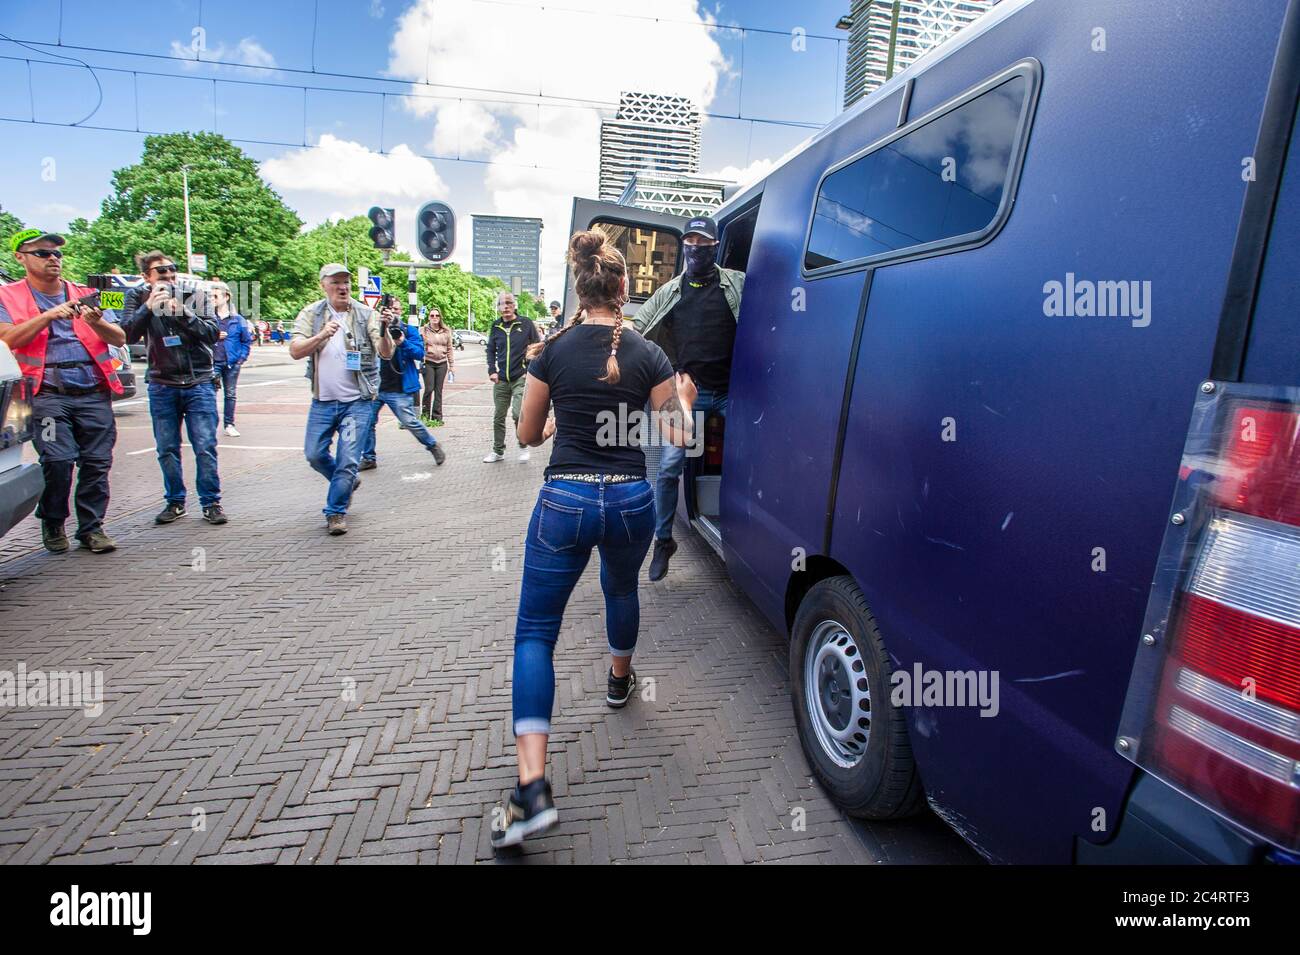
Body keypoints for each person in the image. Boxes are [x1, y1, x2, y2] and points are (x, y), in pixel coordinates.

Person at [490, 230, 695, 848]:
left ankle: (531, 787)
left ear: (579, 288)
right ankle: (618, 679)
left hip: (566, 500)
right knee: (619, 590)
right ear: (625, 288)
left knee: (534, 632)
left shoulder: (549, 350)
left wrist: (552, 420)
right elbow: (678, 440)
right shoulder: (650, 355)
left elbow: (526, 436)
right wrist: (683, 399)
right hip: (630, 500)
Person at [0, 228, 126, 553]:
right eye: (43, 253)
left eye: (57, 253)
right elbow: (8, 340)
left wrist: (96, 321)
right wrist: (49, 315)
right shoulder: (7, 296)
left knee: (97, 461)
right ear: (21, 257)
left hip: (93, 390)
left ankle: (92, 528)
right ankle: (53, 520)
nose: (53, 259)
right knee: (58, 460)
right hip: (45, 393)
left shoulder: (89, 292)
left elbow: (119, 337)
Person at [633, 215, 743, 582]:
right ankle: (663, 541)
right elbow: (639, 328)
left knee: (753, 460)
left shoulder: (736, 284)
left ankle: (748, 532)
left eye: (702, 241)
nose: (695, 247)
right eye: (689, 241)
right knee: (667, 469)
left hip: (733, 391)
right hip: (686, 394)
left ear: (714, 245)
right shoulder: (670, 291)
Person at [120, 250, 228, 526]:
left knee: (205, 445)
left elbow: (212, 333)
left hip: (199, 381)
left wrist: (182, 313)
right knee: (167, 447)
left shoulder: (194, 295)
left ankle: (211, 503)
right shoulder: (136, 296)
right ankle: (175, 502)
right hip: (162, 383)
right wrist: (148, 308)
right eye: (161, 271)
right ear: (147, 277)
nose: (168, 275)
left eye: (172, 269)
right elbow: (127, 334)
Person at [289, 263, 394, 536]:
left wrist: (385, 330)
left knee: (348, 459)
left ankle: (335, 512)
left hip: (357, 401)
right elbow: (296, 350)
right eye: (336, 282)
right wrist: (322, 335)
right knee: (314, 454)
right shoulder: (311, 313)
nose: (343, 287)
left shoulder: (365, 313)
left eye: (346, 282)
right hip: (323, 401)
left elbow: (386, 353)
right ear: (323, 284)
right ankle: (347, 482)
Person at [359, 305, 447, 468]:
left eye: (396, 309)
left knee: (409, 422)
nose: (392, 312)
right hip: (375, 386)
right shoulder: (373, 330)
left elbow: (420, 353)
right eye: (389, 309)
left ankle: (432, 445)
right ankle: (369, 457)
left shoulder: (409, 330)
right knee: (367, 421)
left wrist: (401, 340)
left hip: (399, 387)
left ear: (400, 312)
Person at [483, 291, 539, 464]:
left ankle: (522, 445)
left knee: (517, 413)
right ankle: (498, 451)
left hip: (519, 378)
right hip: (501, 379)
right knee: (498, 416)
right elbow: (490, 350)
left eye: (509, 303)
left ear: (515, 305)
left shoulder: (526, 323)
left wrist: (527, 370)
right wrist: (492, 370)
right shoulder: (495, 326)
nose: (505, 306)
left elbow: (536, 348)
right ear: (498, 307)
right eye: (502, 303)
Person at [210, 281, 251, 437]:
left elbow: (246, 340)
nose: (212, 299)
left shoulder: (238, 319)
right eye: (210, 296)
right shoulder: (209, 318)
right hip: (213, 361)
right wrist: (213, 336)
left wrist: (241, 358)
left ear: (226, 297)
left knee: (230, 394)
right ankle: (212, 425)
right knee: (210, 394)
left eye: (215, 296)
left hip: (231, 362)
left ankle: (229, 424)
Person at [420, 307, 455, 423]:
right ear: (429, 317)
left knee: (438, 390)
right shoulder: (423, 330)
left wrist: (451, 365)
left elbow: (449, 348)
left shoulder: (446, 331)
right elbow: (419, 346)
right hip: (428, 362)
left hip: (442, 363)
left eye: (437, 315)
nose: (434, 318)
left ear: (440, 317)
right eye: (432, 315)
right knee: (429, 388)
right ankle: (425, 415)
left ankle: (437, 417)